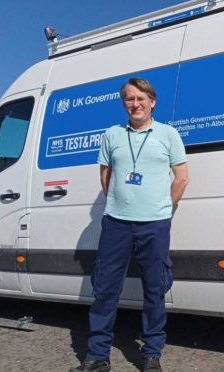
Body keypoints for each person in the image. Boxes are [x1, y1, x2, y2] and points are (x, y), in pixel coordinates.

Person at [71, 78, 189, 372]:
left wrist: (163, 209)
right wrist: (121, 203)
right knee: (106, 289)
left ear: (152, 101)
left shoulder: (168, 134)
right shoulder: (111, 135)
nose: (135, 104)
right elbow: (105, 177)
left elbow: (182, 177)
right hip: (117, 223)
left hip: (155, 225)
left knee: (154, 289)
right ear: (124, 103)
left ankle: (151, 354)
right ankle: (97, 356)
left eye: (140, 98)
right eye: (129, 99)